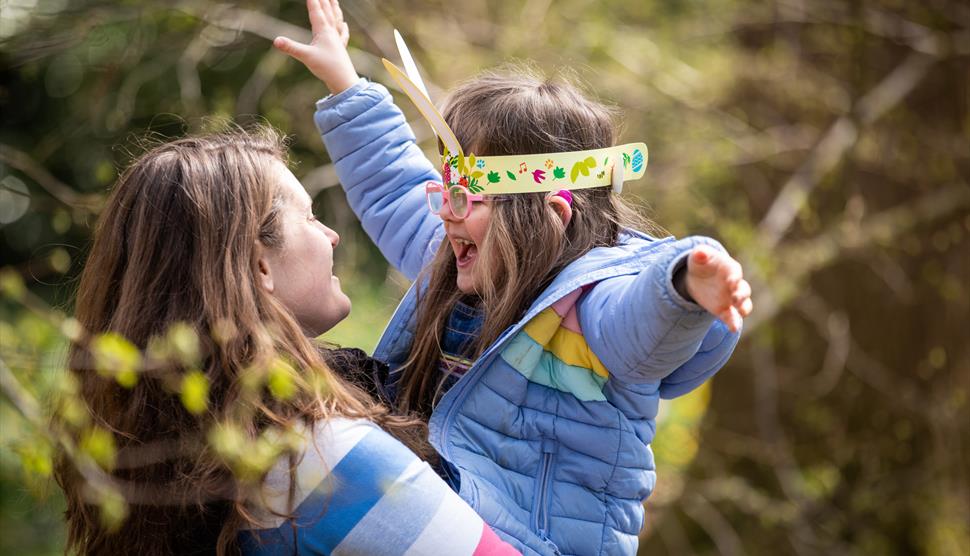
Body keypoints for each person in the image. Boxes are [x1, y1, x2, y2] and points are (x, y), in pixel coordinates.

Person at [274, 1, 753, 554]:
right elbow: (393, 182)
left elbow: (640, 327)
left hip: (533, 542)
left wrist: (683, 287)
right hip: (449, 509)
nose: (446, 213)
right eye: (447, 191)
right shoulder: (458, 260)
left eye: (468, 197)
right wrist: (343, 80)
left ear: (552, 216)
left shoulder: (590, 304)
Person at [52, 128, 519, 555]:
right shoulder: (321, 462)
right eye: (312, 217)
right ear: (259, 267)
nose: (332, 236)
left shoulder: (163, 458)